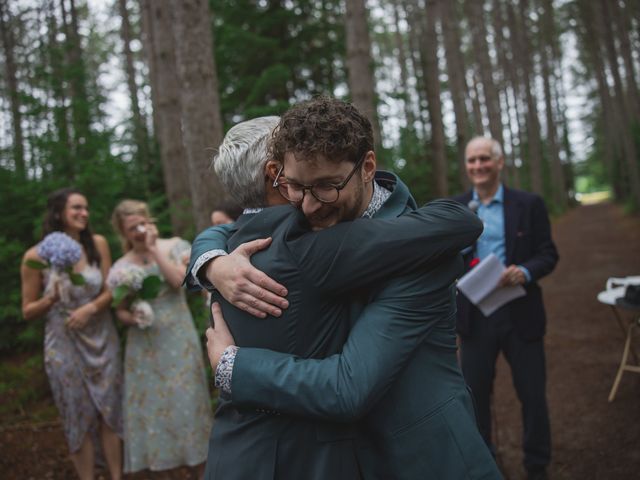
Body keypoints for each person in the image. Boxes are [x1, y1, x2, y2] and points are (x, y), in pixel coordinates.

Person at [187, 99, 501, 479]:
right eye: (295, 187)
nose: (307, 207)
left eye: (325, 187)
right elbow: (239, 227)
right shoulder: (300, 227)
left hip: (422, 458)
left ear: (367, 167)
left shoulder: (420, 252)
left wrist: (231, 365)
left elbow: (350, 387)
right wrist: (211, 261)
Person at [452, 137, 559, 480]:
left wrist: (525, 272)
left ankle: (537, 466)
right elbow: (442, 261)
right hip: (474, 317)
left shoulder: (529, 204)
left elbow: (548, 253)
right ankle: (485, 462)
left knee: (532, 395)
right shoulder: (455, 209)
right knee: (475, 398)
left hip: (521, 313)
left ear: (499, 163)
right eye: (472, 161)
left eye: (485, 159)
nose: (478, 166)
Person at [20, 188, 123, 480]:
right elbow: (27, 310)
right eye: (77, 208)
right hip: (62, 341)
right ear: (58, 213)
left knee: (109, 408)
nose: (84, 214)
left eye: (86, 208)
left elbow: (110, 290)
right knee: (76, 413)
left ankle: (116, 476)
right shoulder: (35, 256)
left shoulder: (97, 244)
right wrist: (50, 299)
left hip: (102, 336)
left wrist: (91, 308)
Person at [110, 200, 212, 475]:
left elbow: (181, 280)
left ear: (149, 220)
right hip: (143, 347)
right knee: (154, 412)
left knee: (188, 404)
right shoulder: (121, 266)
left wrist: (154, 249)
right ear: (122, 231)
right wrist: (133, 317)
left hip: (177, 337)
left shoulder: (175, 246)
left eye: (140, 224)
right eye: (131, 229)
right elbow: (118, 310)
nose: (138, 232)